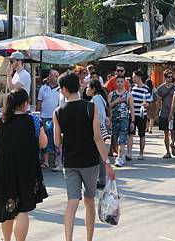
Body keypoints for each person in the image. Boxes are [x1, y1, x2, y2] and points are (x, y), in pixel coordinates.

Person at [53, 71, 115, 241]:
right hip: (90, 162)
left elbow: (57, 142)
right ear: (77, 86)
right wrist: (107, 162)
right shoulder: (90, 107)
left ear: (64, 89)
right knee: (89, 201)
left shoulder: (58, 112)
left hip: (70, 162)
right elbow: (97, 137)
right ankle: (89, 239)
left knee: (72, 203)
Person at [0, 89, 48, 241]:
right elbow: (43, 143)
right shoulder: (32, 120)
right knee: (22, 210)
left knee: (7, 206)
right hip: (26, 169)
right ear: (25, 103)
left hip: (3, 169)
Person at [86, 79, 110, 189]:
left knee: (98, 155)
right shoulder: (98, 98)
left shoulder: (96, 99)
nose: (86, 89)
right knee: (100, 155)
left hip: (98, 129)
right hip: (100, 129)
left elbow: (99, 115)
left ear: (93, 89)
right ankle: (101, 178)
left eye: (88, 87)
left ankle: (100, 178)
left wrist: (97, 129)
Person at [36, 69, 62, 171]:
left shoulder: (60, 89)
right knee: (45, 138)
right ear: (50, 77)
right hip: (44, 117)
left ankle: (56, 161)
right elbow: (39, 102)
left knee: (54, 138)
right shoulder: (43, 88)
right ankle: (46, 161)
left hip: (55, 117)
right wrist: (38, 115)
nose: (56, 78)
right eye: (54, 76)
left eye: (57, 76)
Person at [108, 75, 135, 167]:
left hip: (124, 120)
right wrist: (117, 101)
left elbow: (131, 108)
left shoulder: (128, 94)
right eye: (118, 82)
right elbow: (108, 106)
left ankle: (120, 157)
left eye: (121, 82)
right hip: (114, 120)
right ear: (116, 83)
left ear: (124, 83)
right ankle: (120, 155)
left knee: (122, 139)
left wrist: (132, 122)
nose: (119, 83)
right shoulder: (112, 94)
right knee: (115, 138)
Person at [128, 70, 151, 160]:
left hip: (141, 114)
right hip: (132, 114)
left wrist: (146, 104)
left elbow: (149, 102)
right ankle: (129, 153)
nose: (133, 78)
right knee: (130, 134)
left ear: (139, 77)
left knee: (142, 134)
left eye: (134, 77)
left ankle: (141, 153)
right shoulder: (132, 88)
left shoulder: (146, 88)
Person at [157, 70, 175, 158]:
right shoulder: (160, 88)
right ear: (165, 77)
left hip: (173, 113)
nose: (170, 79)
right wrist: (157, 114)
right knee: (165, 133)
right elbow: (158, 102)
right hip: (164, 113)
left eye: (171, 77)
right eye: (168, 77)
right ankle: (167, 152)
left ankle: (172, 144)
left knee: (173, 132)